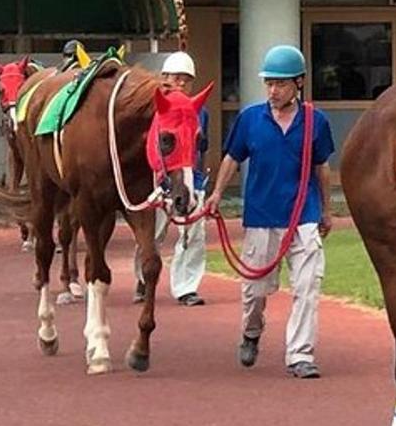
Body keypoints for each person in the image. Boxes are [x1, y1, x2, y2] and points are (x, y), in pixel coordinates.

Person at [203, 44, 335, 379]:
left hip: (303, 216)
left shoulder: (315, 122)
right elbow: (233, 157)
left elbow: (322, 166)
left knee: (308, 286)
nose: (273, 90)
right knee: (255, 291)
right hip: (261, 215)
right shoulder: (250, 119)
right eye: (269, 83)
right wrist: (217, 192)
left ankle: (300, 355)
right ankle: (251, 331)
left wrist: (327, 210)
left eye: (281, 83)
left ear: (299, 83)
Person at [133, 51, 210, 306]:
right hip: (158, 183)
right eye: (173, 78)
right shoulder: (150, 110)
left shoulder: (200, 111)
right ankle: (143, 278)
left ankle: (186, 288)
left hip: (190, 180)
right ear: (163, 78)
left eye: (184, 80)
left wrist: (199, 185)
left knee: (194, 235)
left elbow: (201, 148)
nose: (179, 84)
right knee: (151, 234)